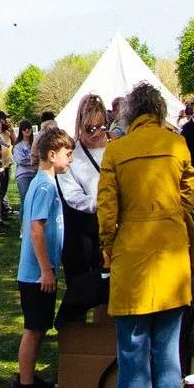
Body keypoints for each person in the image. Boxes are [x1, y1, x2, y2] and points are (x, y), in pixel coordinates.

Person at [95, 85, 194, 388]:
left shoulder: (116, 151)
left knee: (133, 341)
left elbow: (106, 209)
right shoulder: (177, 143)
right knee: (167, 339)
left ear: (130, 113)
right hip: (171, 253)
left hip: (132, 252)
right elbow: (188, 199)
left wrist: (109, 247)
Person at [10, 130, 72, 388]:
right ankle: (24, 386)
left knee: (41, 326)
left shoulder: (42, 182)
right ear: (52, 155)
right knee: (33, 329)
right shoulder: (45, 185)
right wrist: (46, 270)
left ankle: (30, 377)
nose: (69, 159)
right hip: (36, 274)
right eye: (67, 154)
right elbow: (35, 228)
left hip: (38, 272)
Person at [57, 97, 111, 319]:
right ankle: (77, 343)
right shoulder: (72, 155)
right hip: (81, 228)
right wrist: (104, 202)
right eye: (89, 128)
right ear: (80, 125)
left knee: (109, 286)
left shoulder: (117, 148)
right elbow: (73, 196)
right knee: (78, 288)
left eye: (100, 127)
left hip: (112, 225)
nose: (95, 133)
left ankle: (104, 339)